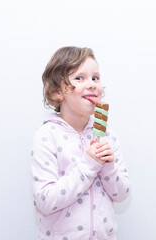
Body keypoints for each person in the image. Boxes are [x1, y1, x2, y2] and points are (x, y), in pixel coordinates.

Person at [30, 46, 131, 240]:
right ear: (58, 91)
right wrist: (89, 165)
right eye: (80, 78)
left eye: (95, 78)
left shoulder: (108, 136)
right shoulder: (47, 136)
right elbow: (45, 200)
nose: (92, 84)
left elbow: (122, 194)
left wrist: (108, 167)